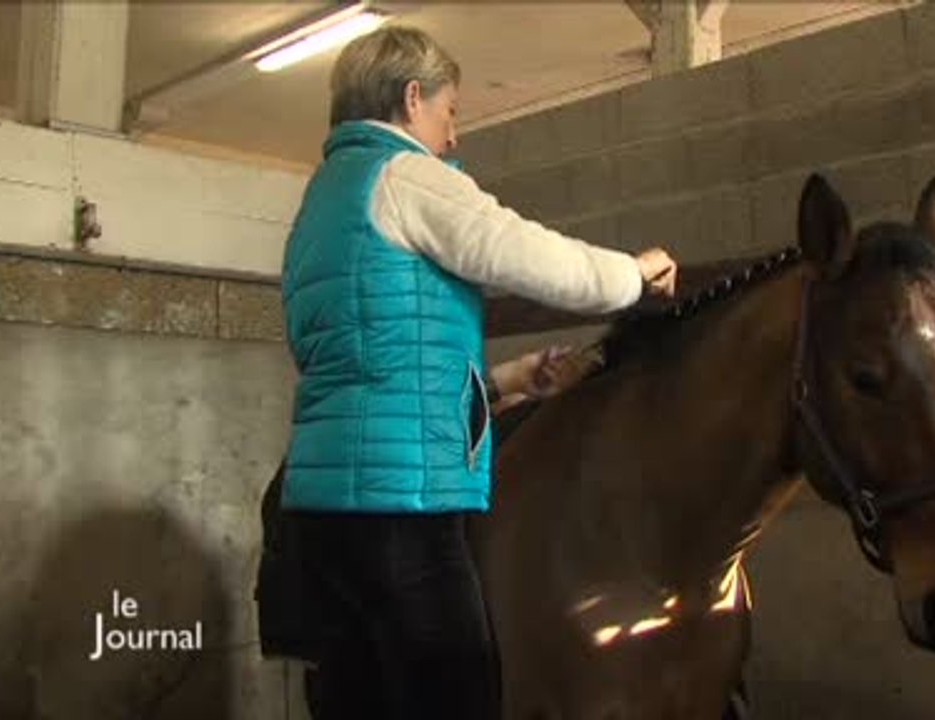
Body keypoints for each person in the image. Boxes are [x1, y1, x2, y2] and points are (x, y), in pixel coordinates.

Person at [279, 24, 677, 719]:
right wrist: (634, 277)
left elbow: (370, 369)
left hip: (320, 512)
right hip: (401, 510)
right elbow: (522, 252)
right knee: (455, 697)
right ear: (411, 98)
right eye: (450, 110)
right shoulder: (402, 174)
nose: (453, 135)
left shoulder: (321, 202)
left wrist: (508, 381)